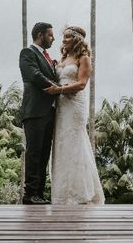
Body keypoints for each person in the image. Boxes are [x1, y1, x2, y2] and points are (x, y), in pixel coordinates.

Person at [43, 25, 105, 205]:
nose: (63, 40)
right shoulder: (62, 59)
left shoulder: (83, 58)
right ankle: (62, 194)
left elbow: (82, 84)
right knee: (62, 144)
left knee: (75, 142)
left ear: (77, 39)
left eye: (68, 37)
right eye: (63, 37)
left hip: (75, 105)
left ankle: (79, 193)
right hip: (61, 107)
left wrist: (59, 89)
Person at [19, 22, 59, 204]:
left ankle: (40, 194)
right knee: (34, 153)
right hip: (34, 111)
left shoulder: (48, 58)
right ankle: (29, 194)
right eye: (50, 35)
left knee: (44, 154)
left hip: (49, 112)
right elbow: (35, 75)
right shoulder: (27, 53)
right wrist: (58, 88)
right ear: (40, 35)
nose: (53, 38)